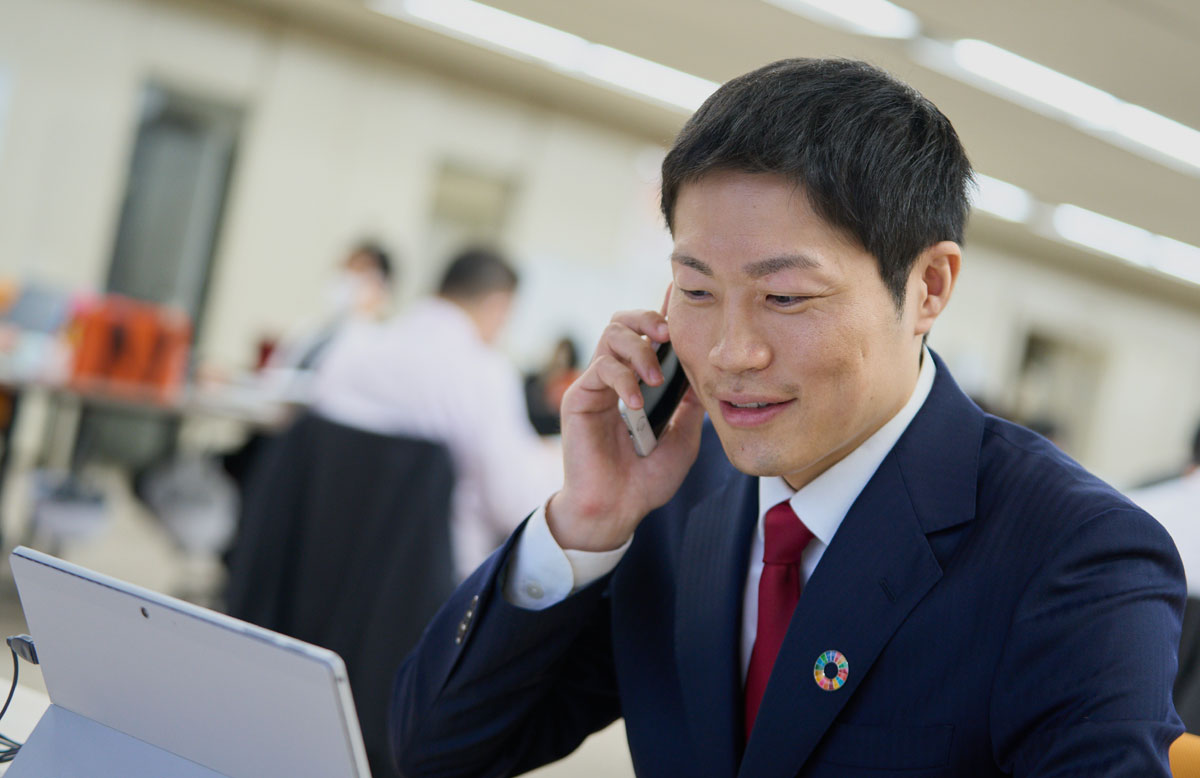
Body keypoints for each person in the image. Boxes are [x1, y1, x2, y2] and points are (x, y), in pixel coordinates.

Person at [391, 59, 1185, 776]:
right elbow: (439, 751)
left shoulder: (1075, 556)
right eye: (697, 292)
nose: (733, 352)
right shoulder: (677, 491)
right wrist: (586, 519)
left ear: (929, 288)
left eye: (786, 298)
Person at [311, 246, 562, 580]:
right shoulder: (484, 374)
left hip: (326, 569)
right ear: (498, 306)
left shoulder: (352, 350)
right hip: (429, 591)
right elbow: (513, 504)